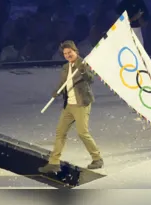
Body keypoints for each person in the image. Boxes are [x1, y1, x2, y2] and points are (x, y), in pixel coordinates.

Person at [38, 40, 103, 173]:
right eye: (65, 53)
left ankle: (97, 158)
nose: (68, 55)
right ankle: (54, 162)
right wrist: (57, 91)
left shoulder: (84, 64)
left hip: (81, 104)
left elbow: (91, 79)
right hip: (68, 105)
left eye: (70, 52)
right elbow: (64, 83)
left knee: (82, 133)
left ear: (75, 51)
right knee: (60, 133)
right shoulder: (66, 67)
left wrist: (84, 71)